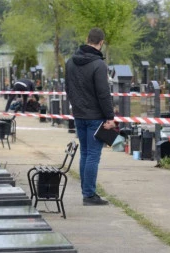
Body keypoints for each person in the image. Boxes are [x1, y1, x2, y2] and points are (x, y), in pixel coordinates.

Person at [65, 28, 115, 206]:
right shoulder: (98, 65)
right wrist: (110, 117)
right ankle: (89, 194)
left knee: (85, 153)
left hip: (79, 115)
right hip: (95, 116)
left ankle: (86, 192)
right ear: (101, 42)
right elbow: (103, 93)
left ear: (87, 39)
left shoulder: (70, 62)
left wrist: (76, 108)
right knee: (93, 155)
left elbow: (68, 89)